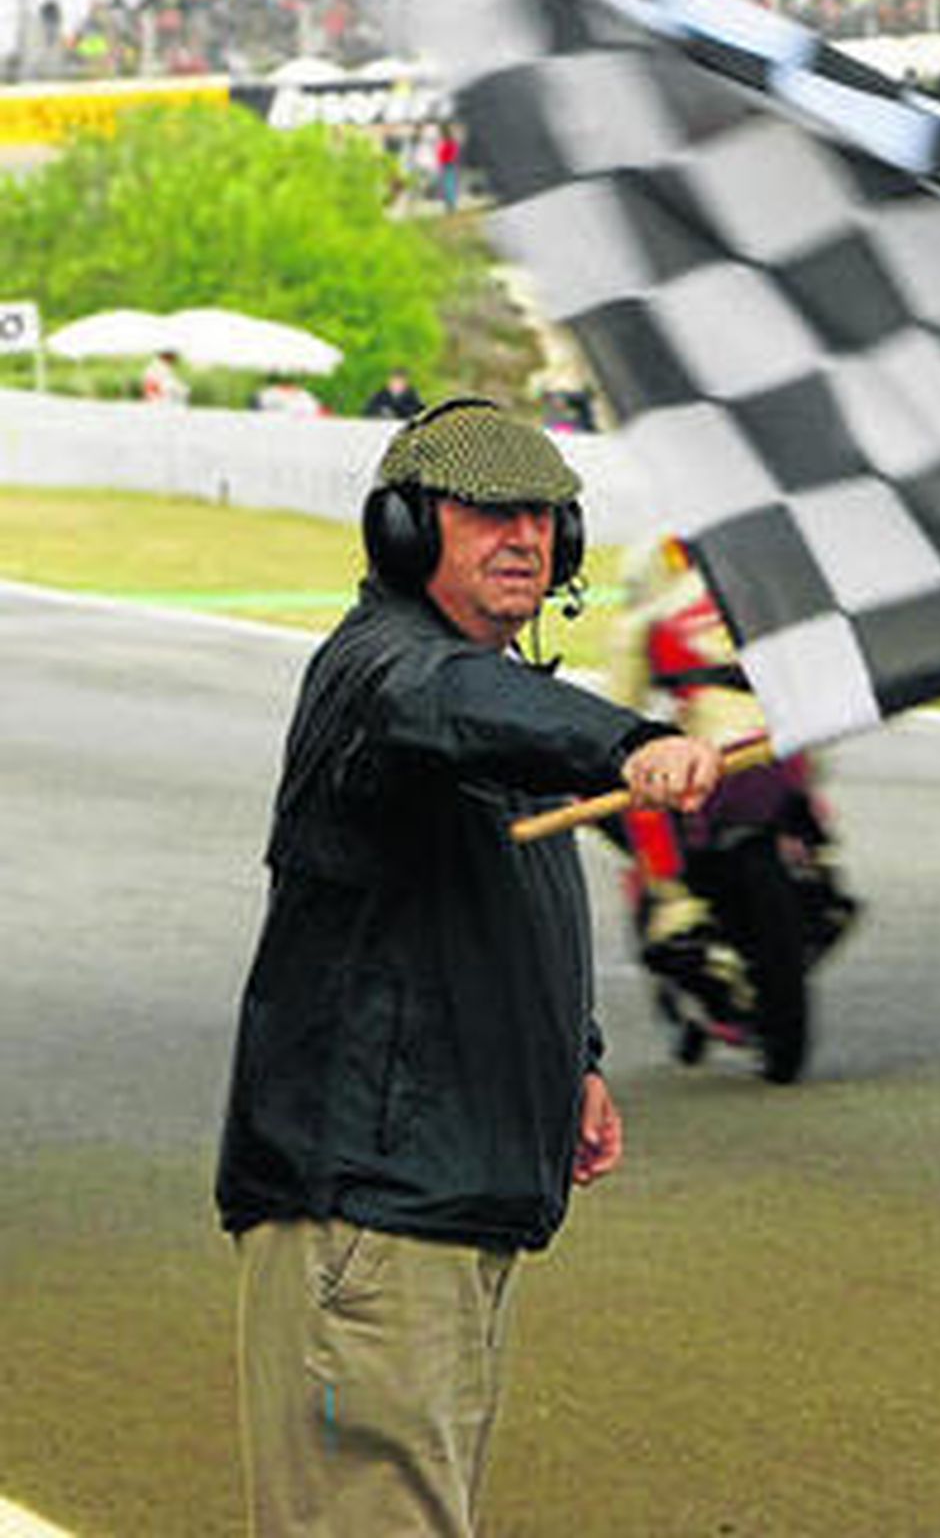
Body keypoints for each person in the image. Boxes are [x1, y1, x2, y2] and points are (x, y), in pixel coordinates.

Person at [214, 398, 723, 1537]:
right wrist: (631, 741)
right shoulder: (387, 674)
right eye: (489, 512)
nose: (527, 539)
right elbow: (454, 706)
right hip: (370, 1221)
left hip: (436, 1211)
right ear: (403, 532)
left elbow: (491, 895)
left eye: (546, 516)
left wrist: (575, 1062)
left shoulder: (491, 697)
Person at [608, 536, 858, 1083]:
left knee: (632, 788)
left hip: (710, 770)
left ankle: (677, 909)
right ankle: (820, 872)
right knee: (806, 807)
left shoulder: (645, 619)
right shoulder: (770, 606)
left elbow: (615, 722)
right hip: (780, 759)